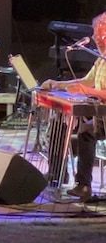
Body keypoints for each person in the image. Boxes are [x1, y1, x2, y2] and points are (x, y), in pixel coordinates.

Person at [40, 12, 106, 202]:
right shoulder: (101, 58)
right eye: (96, 35)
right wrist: (58, 84)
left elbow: (90, 88)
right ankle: (56, 174)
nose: (97, 39)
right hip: (97, 112)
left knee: (87, 131)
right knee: (58, 122)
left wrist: (87, 91)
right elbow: (88, 81)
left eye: (101, 35)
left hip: (103, 116)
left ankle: (83, 185)